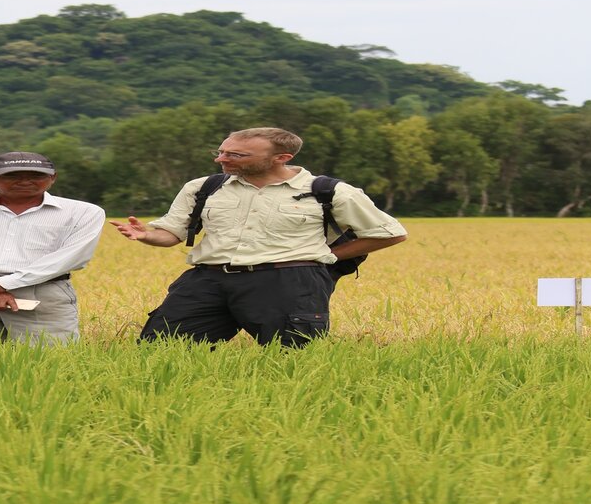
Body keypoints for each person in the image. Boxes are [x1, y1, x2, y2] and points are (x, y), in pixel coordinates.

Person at [114, 126, 406, 346]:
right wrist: (147, 236)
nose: (221, 159)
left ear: (281, 158)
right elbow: (171, 234)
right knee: (162, 349)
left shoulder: (329, 191)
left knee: (293, 357)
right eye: (220, 151)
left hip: (288, 281)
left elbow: (388, 234)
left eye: (235, 155)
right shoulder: (204, 186)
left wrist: (326, 257)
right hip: (208, 279)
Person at [0, 152, 104, 348]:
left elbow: (71, 257)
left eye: (36, 175)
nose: (25, 181)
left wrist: (1, 285)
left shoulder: (85, 212)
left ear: (53, 177)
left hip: (41, 292)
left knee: (48, 363)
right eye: (11, 175)